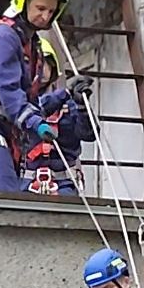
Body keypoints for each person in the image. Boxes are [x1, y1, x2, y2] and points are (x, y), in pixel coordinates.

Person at [0, 0, 64, 192]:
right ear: (23, 3)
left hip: (10, 130)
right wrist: (34, 122)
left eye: (51, 12)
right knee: (3, 191)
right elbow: (9, 92)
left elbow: (31, 100)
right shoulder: (2, 38)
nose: (45, 17)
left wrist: (65, 95)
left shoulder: (32, 44)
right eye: (40, 9)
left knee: (13, 195)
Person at [20, 42, 96, 197]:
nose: (38, 69)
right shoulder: (17, 105)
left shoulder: (70, 104)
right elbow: (36, 109)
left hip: (64, 183)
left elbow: (89, 134)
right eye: (34, 63)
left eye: (43, 63)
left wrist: (82, 106)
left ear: (53, 68)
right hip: (25, 183)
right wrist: (65, 93)